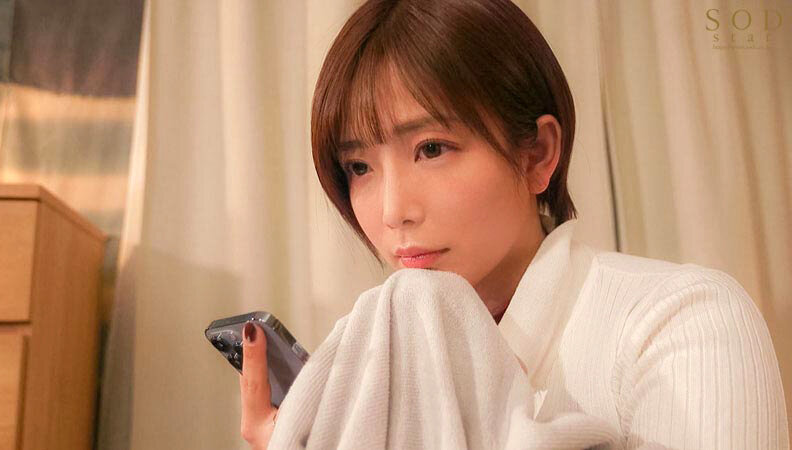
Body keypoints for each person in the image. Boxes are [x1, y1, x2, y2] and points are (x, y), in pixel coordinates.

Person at [239, 0, 789, 448]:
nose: (391, 211)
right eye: (359, 167)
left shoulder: (681, 322)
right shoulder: (371, 364)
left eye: (432, 149)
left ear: (537, 154)